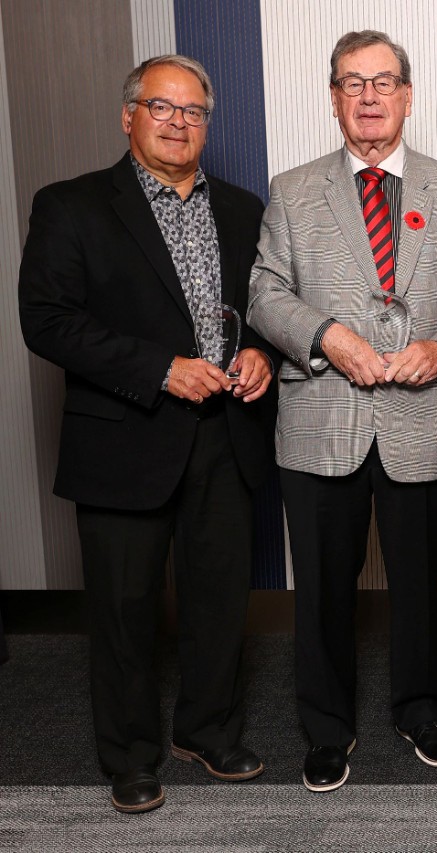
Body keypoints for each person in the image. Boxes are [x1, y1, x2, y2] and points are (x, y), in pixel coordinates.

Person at [18, 55, 274, 814]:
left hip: (225, 433)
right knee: (126, 609)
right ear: (127, 115)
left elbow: (263, 303)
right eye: (160, 106)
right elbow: (48, 321)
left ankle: (208, 728)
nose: (177, 121)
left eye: (194, 111)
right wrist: (159, 368)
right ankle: (129, 754)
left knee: (220, 597)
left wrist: (262, 348)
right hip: (123, 435)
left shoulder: (241, 207)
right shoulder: (72, 205)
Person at [247, 30, 437, 793]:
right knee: (320, 587)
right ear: (335, 97)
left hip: (423, 420)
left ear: (408, 96)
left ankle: (421, 709)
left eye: (384, 83)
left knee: (420, 581)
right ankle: (325, 727)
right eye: (354, 83)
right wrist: (326, 335)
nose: (370, 97)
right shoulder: (293, 188)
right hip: (321, 420)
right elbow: (264, 293)